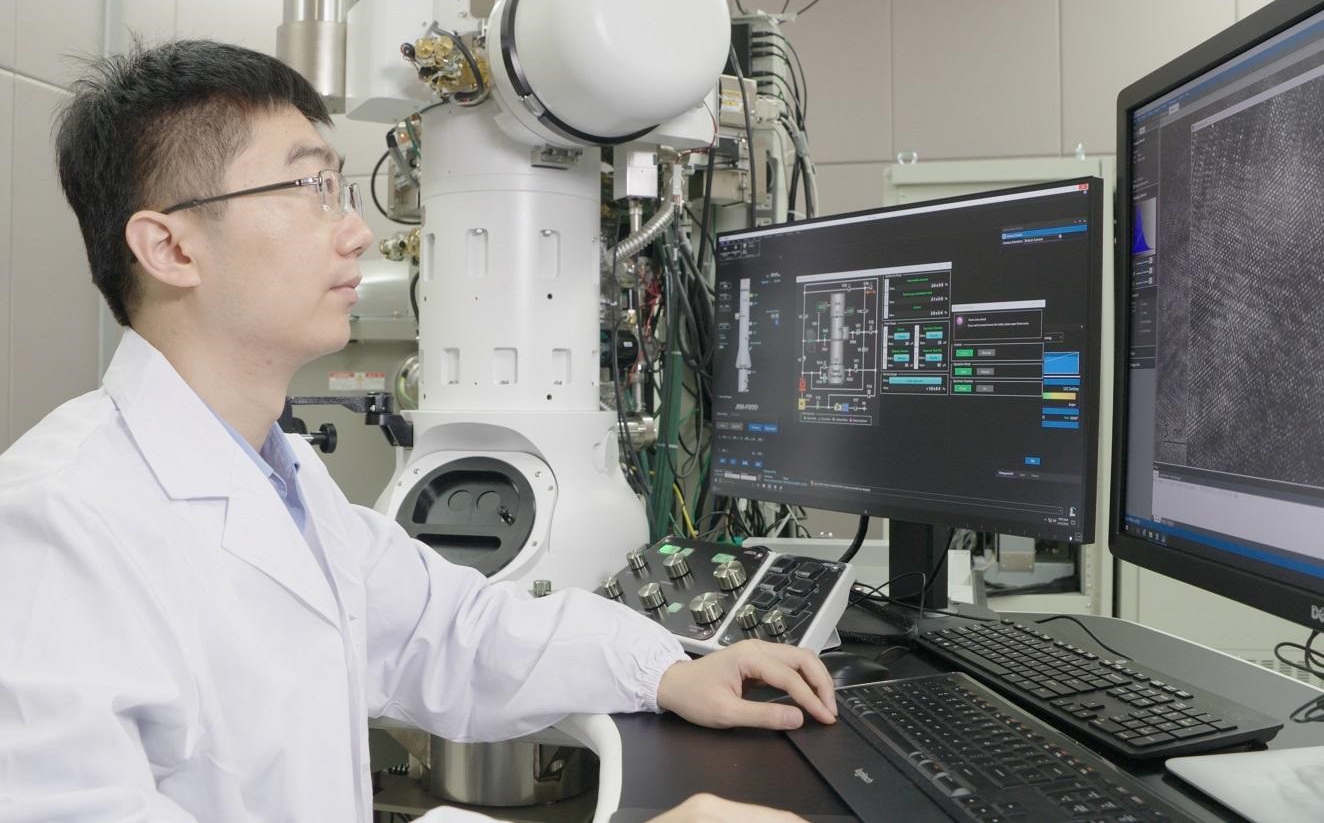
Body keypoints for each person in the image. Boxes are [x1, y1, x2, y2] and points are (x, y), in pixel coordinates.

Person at [0, 40, 836, 822]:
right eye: (308, 188)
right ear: (171, 249)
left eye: (339, 187)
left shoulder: (281, 478)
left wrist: (664, 670)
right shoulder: (56, 527)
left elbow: (453, 632)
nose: (356, 230)